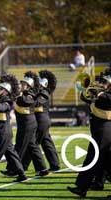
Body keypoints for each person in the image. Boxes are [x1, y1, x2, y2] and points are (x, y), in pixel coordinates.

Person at [68, 67, 111, 197]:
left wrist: (98, 92)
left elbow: (104, 99)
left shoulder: (107, 95)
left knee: (92, 159)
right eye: (102, 81)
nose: (102, 83)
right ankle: (89, 185)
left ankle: (82, 187)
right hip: (99, 131)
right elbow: (85, 97)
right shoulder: (101, 92)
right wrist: (85, 88)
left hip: (105, 131)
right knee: (104, 161)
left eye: (105, 82)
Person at [0, 74, 27, 182]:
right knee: (12, 156)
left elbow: (2, 108)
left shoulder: (8, 101)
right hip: (5, 133)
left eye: (0, 89)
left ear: (6, 91)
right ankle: (22, 174)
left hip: (3, 133)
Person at [21, 70, 60, 171]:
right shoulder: (39, 92)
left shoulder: (44, 93)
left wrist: (28, 97)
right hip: (41, 120)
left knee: (33, 143)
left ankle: (24, 165)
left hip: (42, 120)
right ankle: (55, 164)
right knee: (46, 143)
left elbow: (37, 103)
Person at [12, 71, 49, 176]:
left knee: (19, 146)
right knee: (33, 146)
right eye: (22, 83)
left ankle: (14, 169)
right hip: (28, 123)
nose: (21, 85)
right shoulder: (24, 94)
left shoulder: (30, 95)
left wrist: (17, 95)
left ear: (29, 86)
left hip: (27, 124)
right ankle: (43, 169)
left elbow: (26, 101)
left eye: (24, 84)